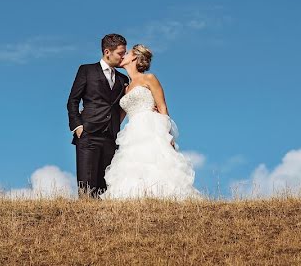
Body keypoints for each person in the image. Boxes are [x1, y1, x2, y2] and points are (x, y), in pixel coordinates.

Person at [100, 44, 201, 200]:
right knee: (133, 164)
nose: (122, 56)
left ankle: (163, 197)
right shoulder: (125, 87)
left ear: (134, 57)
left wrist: (167, 134)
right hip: (132, 130)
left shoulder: (149, 78)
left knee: (154, 161)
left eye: (126, 53)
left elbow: (162, 106)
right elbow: (119, 117)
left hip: (150, 125)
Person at [66, 33, 131, 198]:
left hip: (111, 137)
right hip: (88, 133)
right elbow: (73, 100)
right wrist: (78, 127)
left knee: (104, 187)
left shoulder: (123, 79)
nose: (123, 56)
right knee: (86, 186)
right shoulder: (86, 70)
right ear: (107, 51)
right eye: (120, 53)